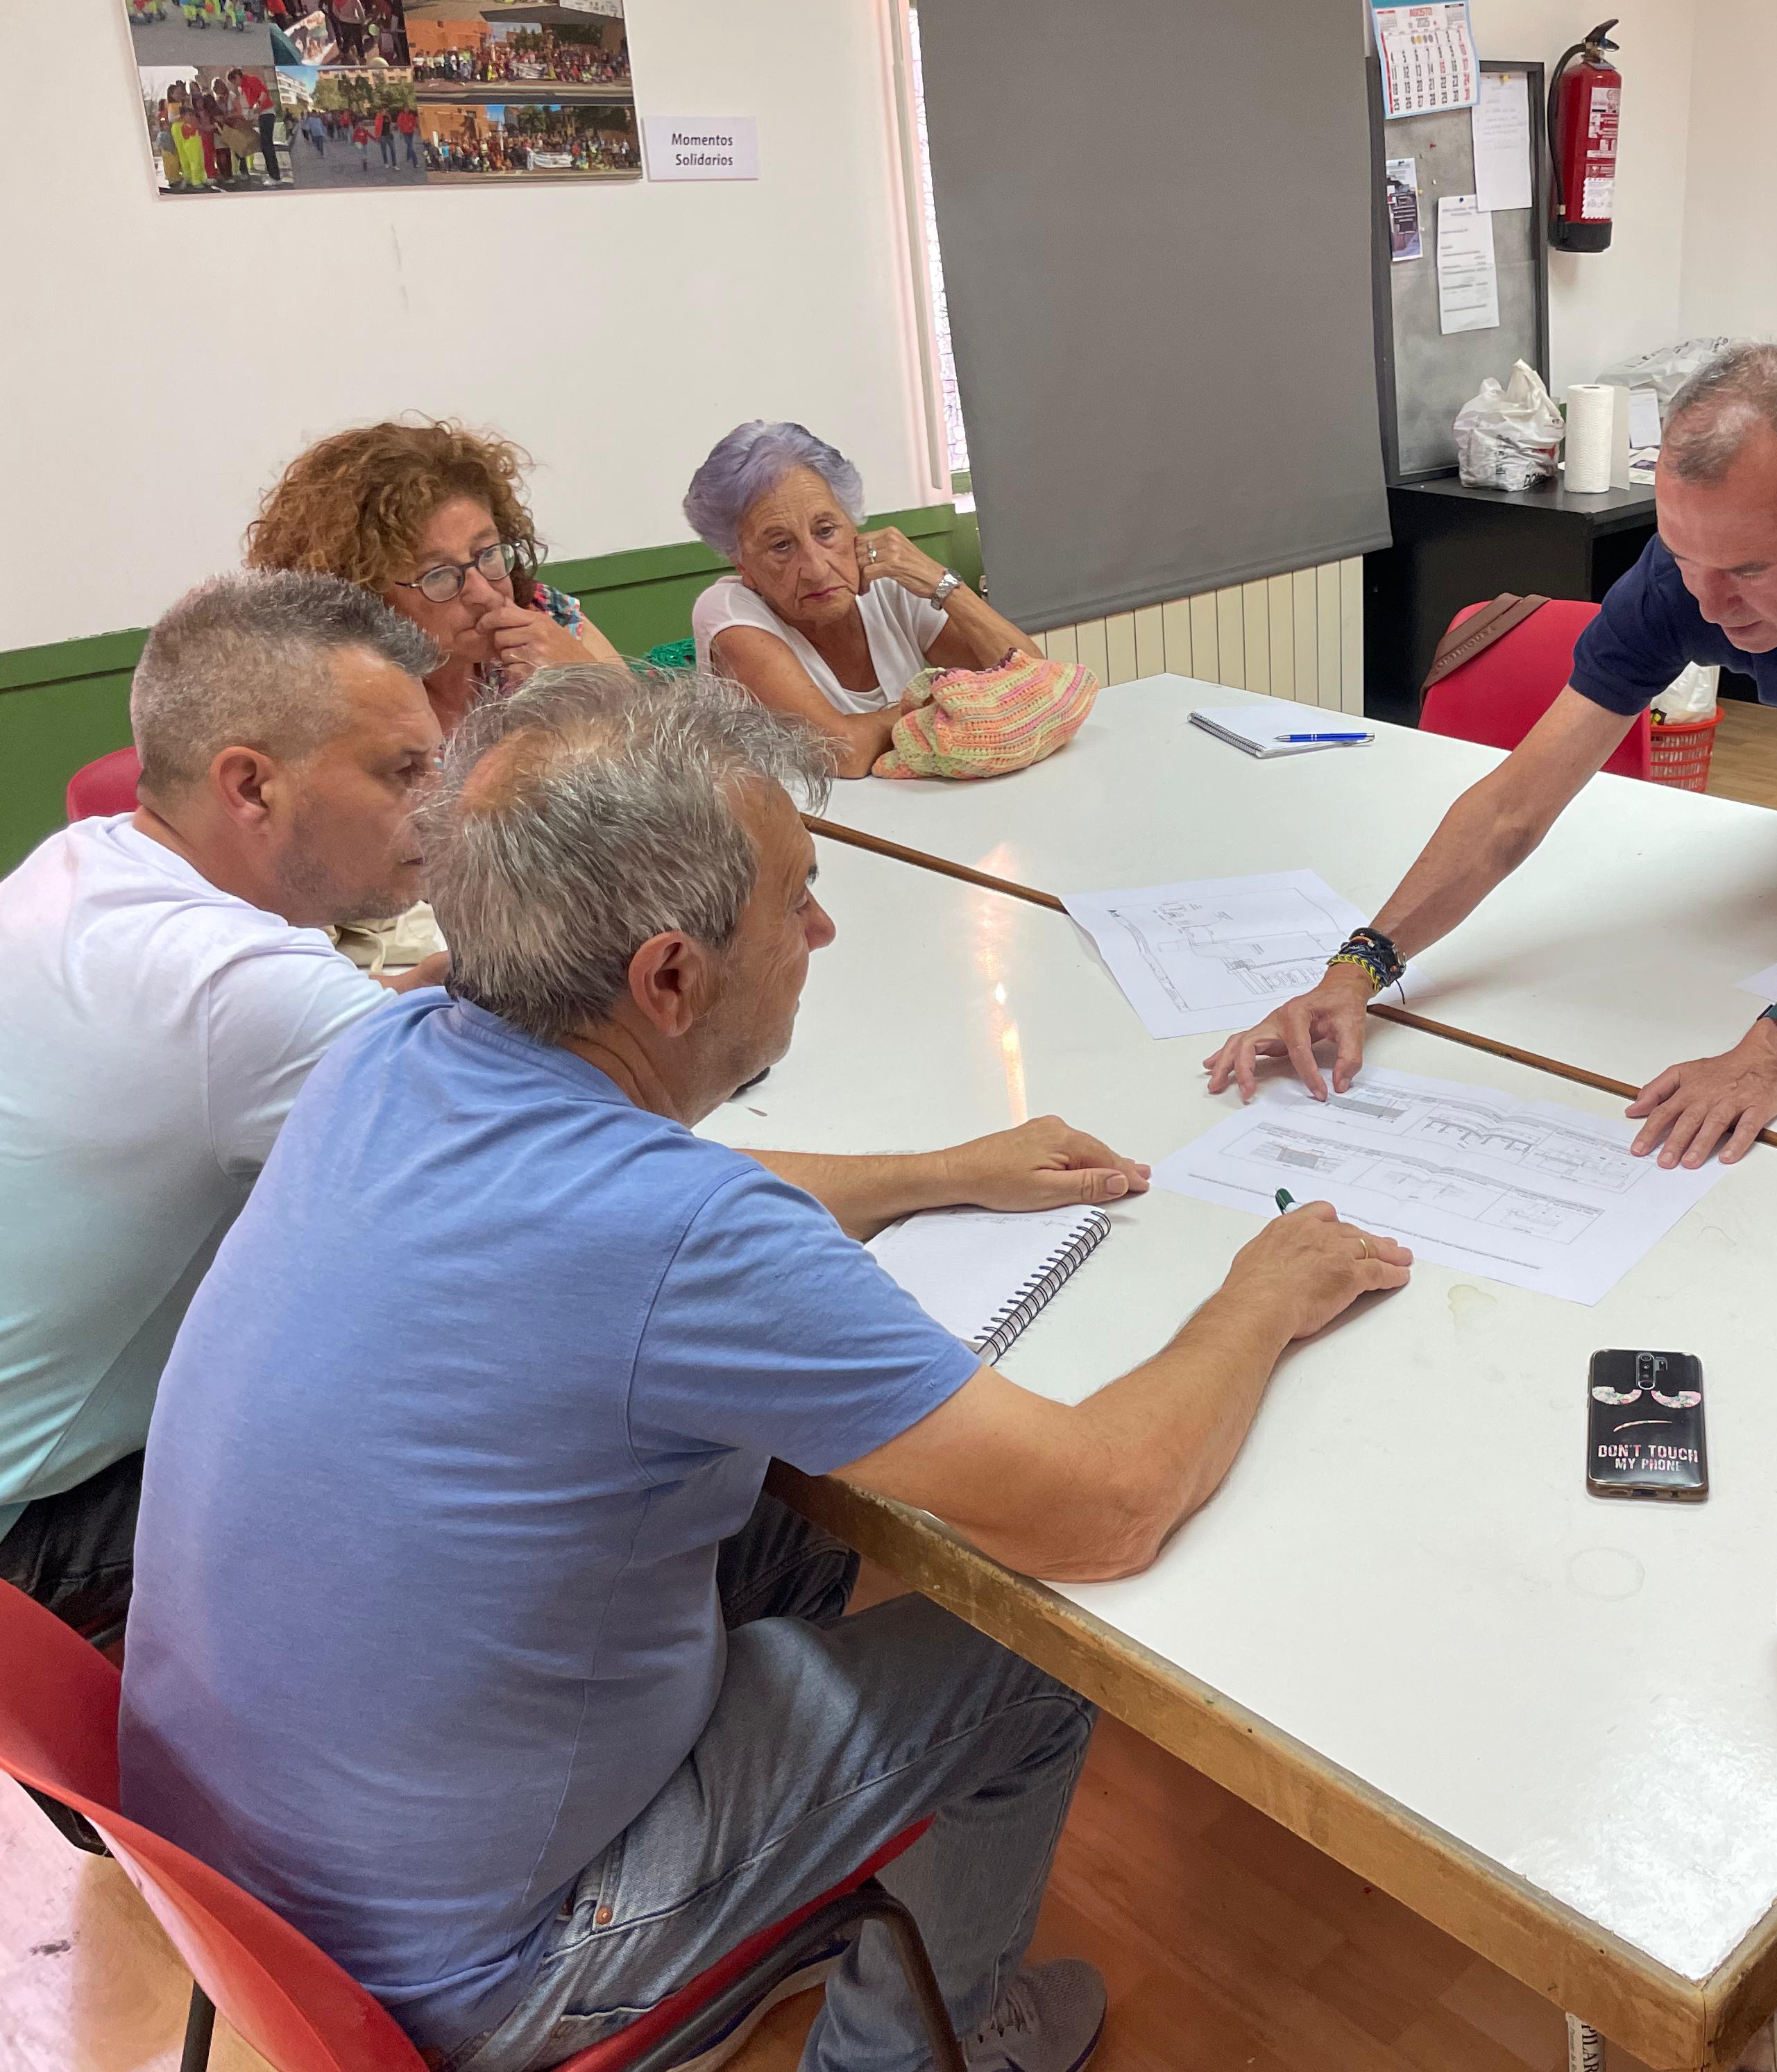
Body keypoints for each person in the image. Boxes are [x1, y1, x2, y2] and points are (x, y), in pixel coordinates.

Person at [119, 667, 1414, 2072]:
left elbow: (644, 1202)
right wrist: (1259, 1300)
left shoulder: (389, 1050)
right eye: (795, 898)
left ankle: (779, 1904)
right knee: (1035, 1663)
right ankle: (915, 2048)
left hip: (235, 1885)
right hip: (469, 1970)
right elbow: (1104, 1507)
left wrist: (934, 1171)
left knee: (784, 1517)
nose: (821, 928)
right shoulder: (678, 1236)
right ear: (671, 978)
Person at [1206, 344, 1777, 1171]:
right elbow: (1515, 806)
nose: (1708, 605)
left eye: (1749, 571)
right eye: (1683, 555)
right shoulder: (1687, 572)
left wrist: (1775, 1051)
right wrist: (1356, 971)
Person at [0, 573, 446, 1636]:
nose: (441, 802)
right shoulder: (254, 993)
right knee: (500, 1440)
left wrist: (408, 998)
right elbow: (586, 1201)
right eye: (403, 772)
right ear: (250, 786)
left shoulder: (80, 864)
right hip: (28, 1544)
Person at [682, 421, 1044, 776]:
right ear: (742, 565)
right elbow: (842, 751)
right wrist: (952, 708)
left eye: (826, 531)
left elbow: (1035, 683)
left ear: (852, 523)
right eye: (781, 545)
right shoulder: (727, 608)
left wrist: (943, 584)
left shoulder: (888, 580)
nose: (816, 569)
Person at [245, 418, 618, 737]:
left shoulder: (544, 615)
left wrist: (588, 683)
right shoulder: (340, 706)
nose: (483, 592)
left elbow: (647, 754)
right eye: (438, 576)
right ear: (363, 596)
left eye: (488, 553)